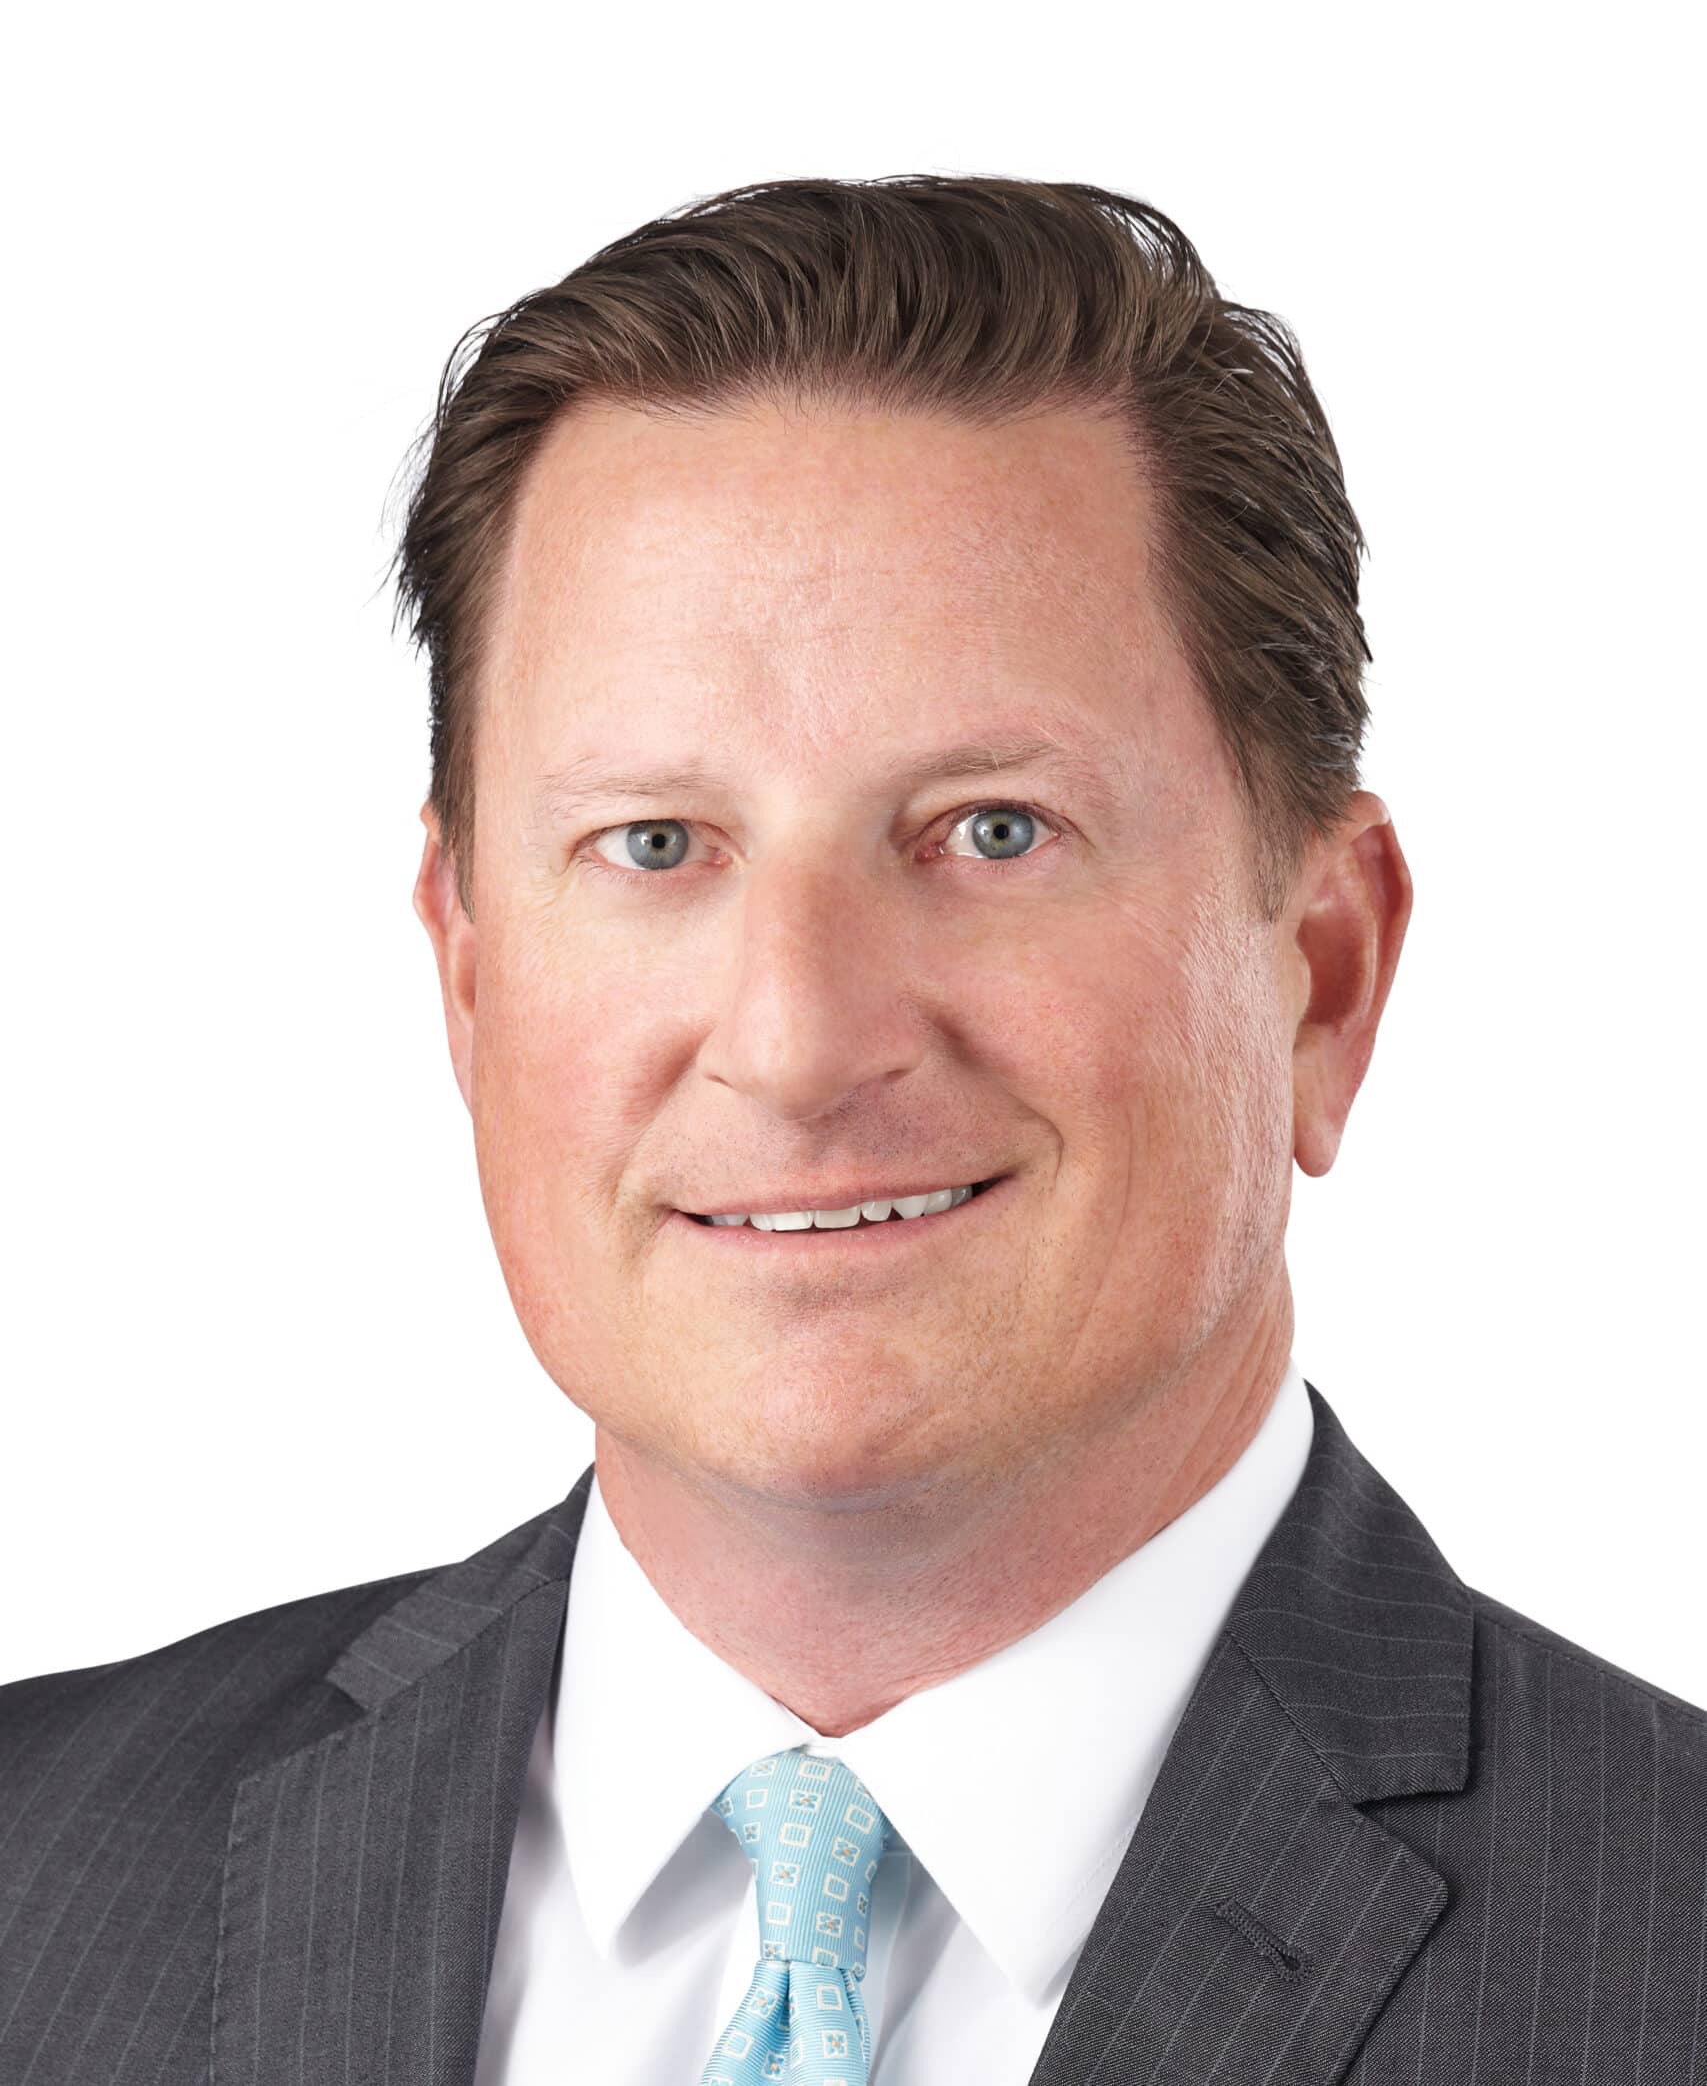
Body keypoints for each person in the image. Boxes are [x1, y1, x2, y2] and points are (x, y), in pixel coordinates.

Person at [2, 173, 1702, 2086]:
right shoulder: (31, 1871)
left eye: (991, 832)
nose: (800, 1043)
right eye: (653, 845)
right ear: (466, 978)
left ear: (1320, 972)